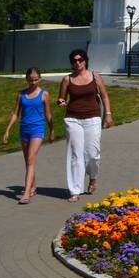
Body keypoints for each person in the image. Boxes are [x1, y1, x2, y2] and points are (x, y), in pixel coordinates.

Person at [57, 48, 112, 203]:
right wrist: (61, 101)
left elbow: (105, 96)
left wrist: (108, 114)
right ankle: (75, 190)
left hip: (92, 118)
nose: (78, 62)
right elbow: (61, 98)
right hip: (73, 119)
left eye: (80, 59)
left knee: (92, 154)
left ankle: (93, 177)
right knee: (75, 154)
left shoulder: (95, 76)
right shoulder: (67, 79)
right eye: (74, 60)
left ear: (85, 60)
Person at [2, 67, 53, 205]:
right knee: (27, 161)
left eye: (36, 79)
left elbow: (48, 114)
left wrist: (52, 130)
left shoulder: (44, 94)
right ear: (26, 79)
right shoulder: (21, 94)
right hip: (24, 129)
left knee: (31, 159)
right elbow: (15, 114)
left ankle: (25, 193)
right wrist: (7, 130)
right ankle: (33, 186)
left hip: (37, 129)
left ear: (40, 79)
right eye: (31, 80)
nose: (33, 82)